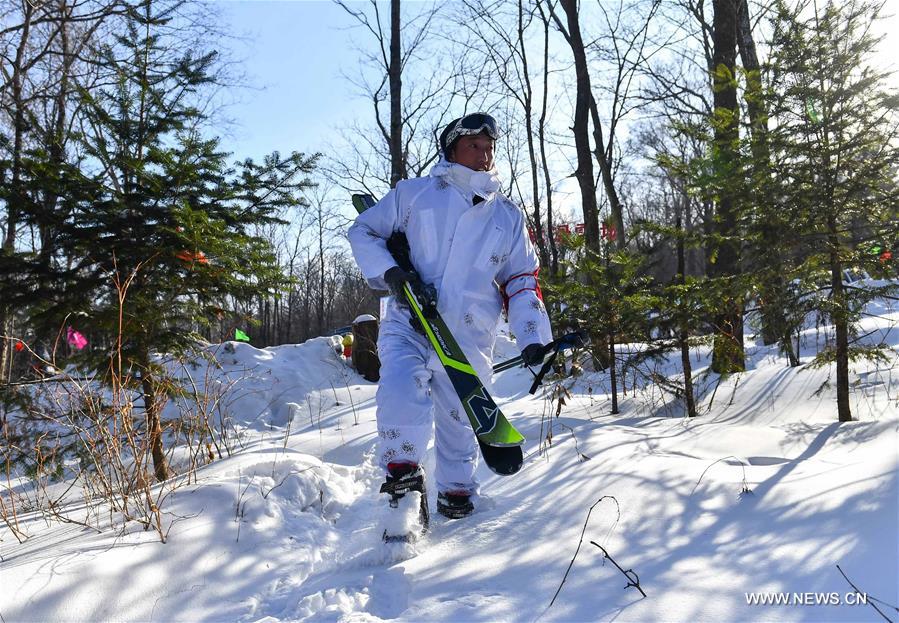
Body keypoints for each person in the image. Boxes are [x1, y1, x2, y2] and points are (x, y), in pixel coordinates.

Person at [347, 112, 552, 523]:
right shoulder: (414, 194)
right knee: (401, 391)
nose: (483, 155)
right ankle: (403, 478)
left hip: (470, 333)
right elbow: (363, 231)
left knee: (462, 416)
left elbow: (522, 280)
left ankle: (457, 493)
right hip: (410, 319)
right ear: (451, 149)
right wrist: (393, 274)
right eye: (473, 146)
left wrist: (532, 336)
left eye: (489, 148)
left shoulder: (507, 216)